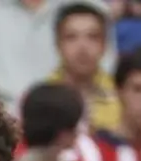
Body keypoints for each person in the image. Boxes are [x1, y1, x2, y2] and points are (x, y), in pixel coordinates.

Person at [48, 2, 121, 133]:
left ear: (105, 44)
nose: (82, 47)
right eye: (71, 37)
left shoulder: (121, 95)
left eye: (92, 37)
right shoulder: (41, 98)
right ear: (58, 44)